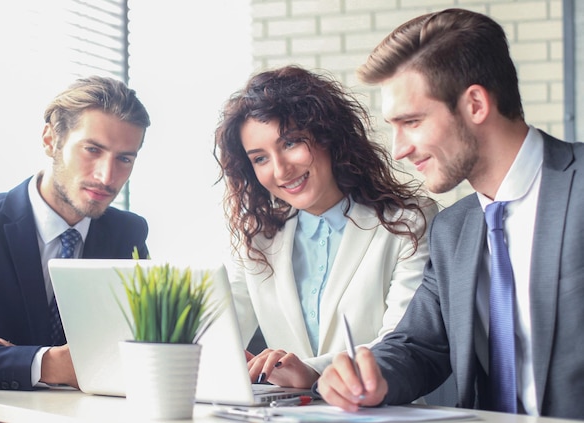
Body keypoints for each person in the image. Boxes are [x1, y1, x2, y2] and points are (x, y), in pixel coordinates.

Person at [317, 8, 584, 420]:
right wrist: (368, 376)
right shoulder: (452, 228)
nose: (398, 149)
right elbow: (419, 345)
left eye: (412, 122)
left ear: (475, 104)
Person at [213, 65, 437, 389]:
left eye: (290, 143)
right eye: (260, 158)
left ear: (327, 134)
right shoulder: (256, 237)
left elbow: (403, 342)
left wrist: (314, 371)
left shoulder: (407, 223)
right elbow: (219, 329)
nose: (280, 170)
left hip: (380, 411)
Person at [0, 75, 151, 390]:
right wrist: (44, 363)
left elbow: (144, 346)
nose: (107, 176)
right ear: (50, 140)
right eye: (92, 150)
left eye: (124, 159)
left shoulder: (127, 233)